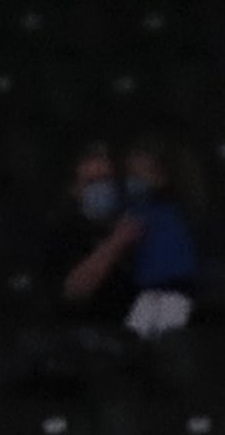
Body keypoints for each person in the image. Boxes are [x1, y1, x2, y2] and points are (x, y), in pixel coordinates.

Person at [60, 141, 205, 341]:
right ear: (74, 188)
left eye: (108, 181)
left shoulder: (155, 212)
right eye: (92, 183)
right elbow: (73, 292)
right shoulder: (67, 232)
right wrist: (115, 244)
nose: (102, 189)